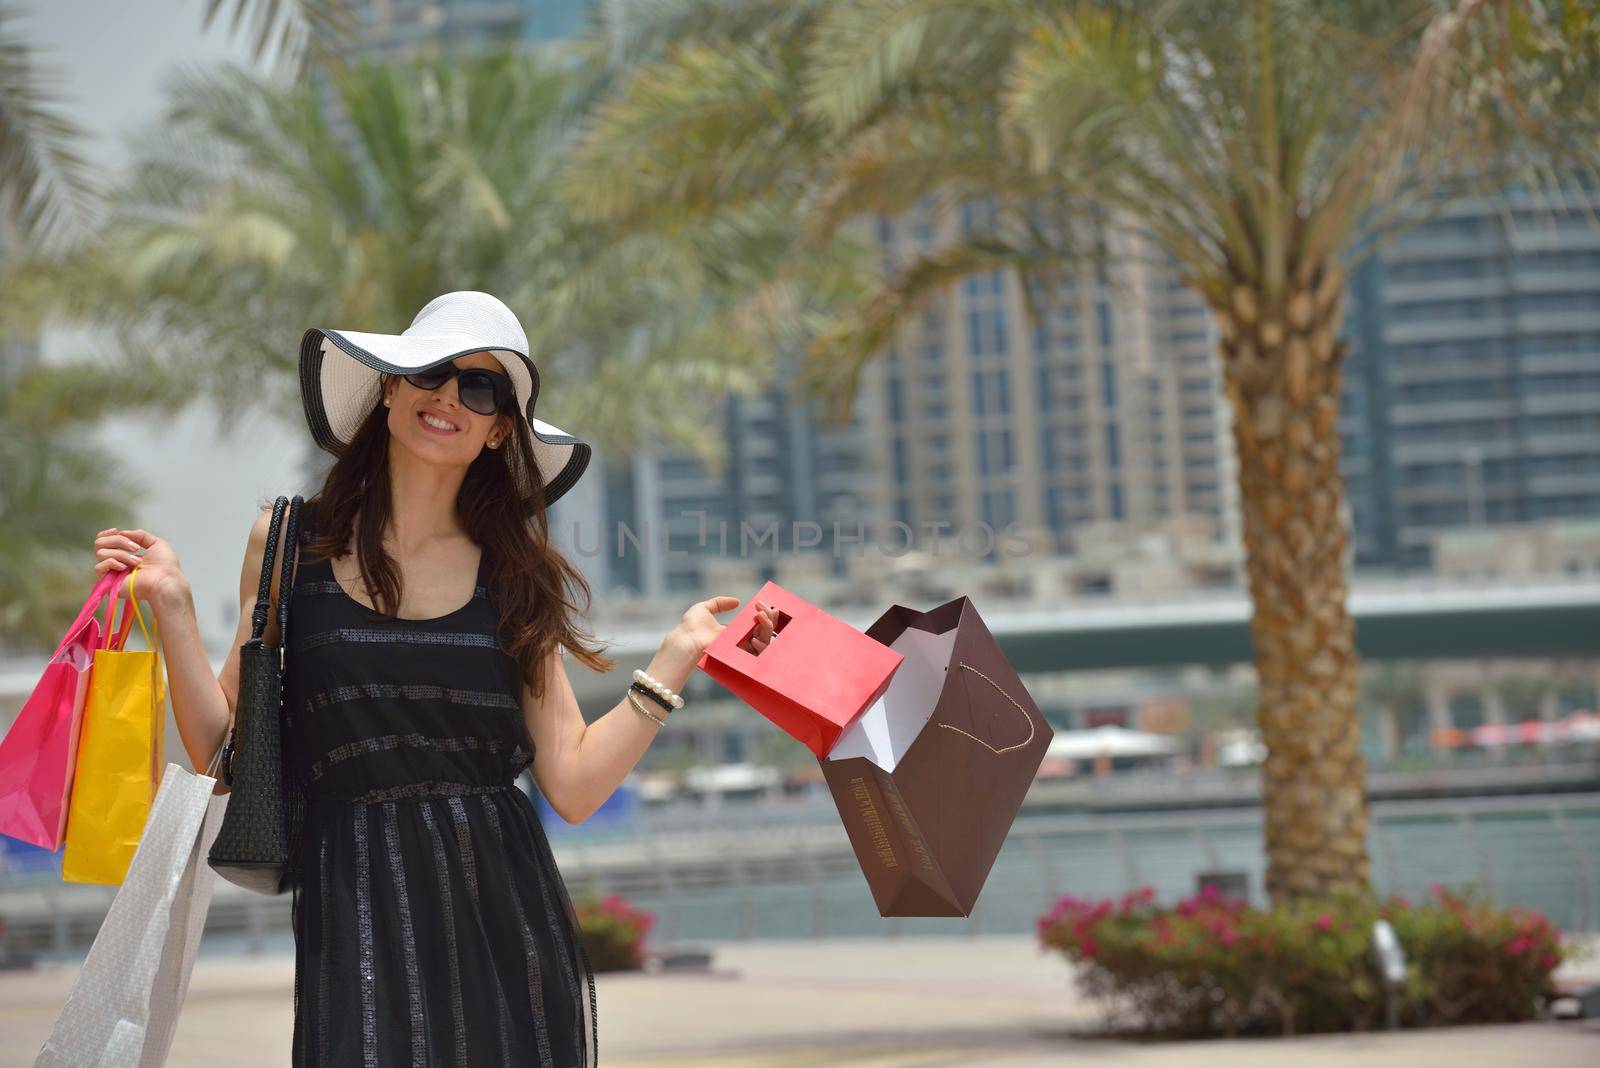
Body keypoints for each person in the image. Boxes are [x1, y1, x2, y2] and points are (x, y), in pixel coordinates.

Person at [90, 291, 780, 1067]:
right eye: (430, 371)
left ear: (497, 432)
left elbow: (577, 785)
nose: (450, 394)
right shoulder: (289, 542)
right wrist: (175, 608)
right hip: (350, 910)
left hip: (503, 922)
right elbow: (225, 753)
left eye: (481, 388)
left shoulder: (516, 575)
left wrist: (676, 655)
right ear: (389, 387)